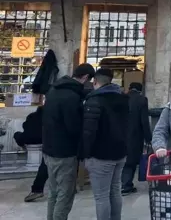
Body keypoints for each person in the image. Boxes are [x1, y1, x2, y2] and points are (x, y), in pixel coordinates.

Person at [42, 63, 95, 220]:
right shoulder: (71, 97)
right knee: (65, 194)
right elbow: (73, 127)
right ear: (85, 77)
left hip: (49, 148)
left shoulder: (54, 90)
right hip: (64, 152)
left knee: (53, 191)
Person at [81, 68, 130, 220]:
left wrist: (84, 154)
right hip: (120, 153)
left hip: (100, 155)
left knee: (101, 196)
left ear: (95, 82)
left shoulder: (94, 100)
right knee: (115, 191)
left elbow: (89, 131)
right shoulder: (123, 99)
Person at [121, 82, 152, 195]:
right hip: (135, 134)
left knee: (121, 160)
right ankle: (126, 185)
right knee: (131, 161)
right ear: (140, 90)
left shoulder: (121, 97)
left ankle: (120, 184)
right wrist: (148, 137)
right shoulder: (142, 100)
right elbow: (144, 121)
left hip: (120, 134)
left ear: (129, 88)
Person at [14, 106, 48, 202]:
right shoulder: (50, 116)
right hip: (46, 140)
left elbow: (25, 126)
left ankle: (37, 189)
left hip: (31, 139)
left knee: (45, 164)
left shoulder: (31, 116)